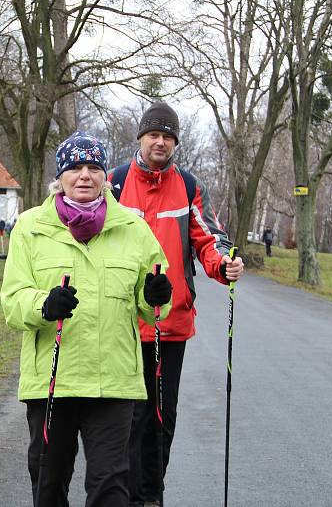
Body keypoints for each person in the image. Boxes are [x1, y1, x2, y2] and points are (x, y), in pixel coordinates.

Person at [0, 131, 173, 507]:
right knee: (48, 485)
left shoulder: (134, 229)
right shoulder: (30, 228)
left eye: (94, 167)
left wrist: (155, 295)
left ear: (105, 176)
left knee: (111, 487)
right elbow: (13, 301)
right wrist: (44, 305)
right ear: (59, 176)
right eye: (75, 167)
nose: (84, 176)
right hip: (52, 381)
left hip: (113, 381)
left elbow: (153, 301)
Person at [107, 101, 244, 507]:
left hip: (171, 324)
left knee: (162, 418)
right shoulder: (114, 183)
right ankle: (128, 497)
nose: (161, 142)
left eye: (168, 136)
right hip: (124, 322)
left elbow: (206, 237)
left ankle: (153, 495)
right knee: (129, 419)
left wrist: (224, 264)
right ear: (141, 138)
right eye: (154, 134)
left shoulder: (187, 186)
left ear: (175, 142)